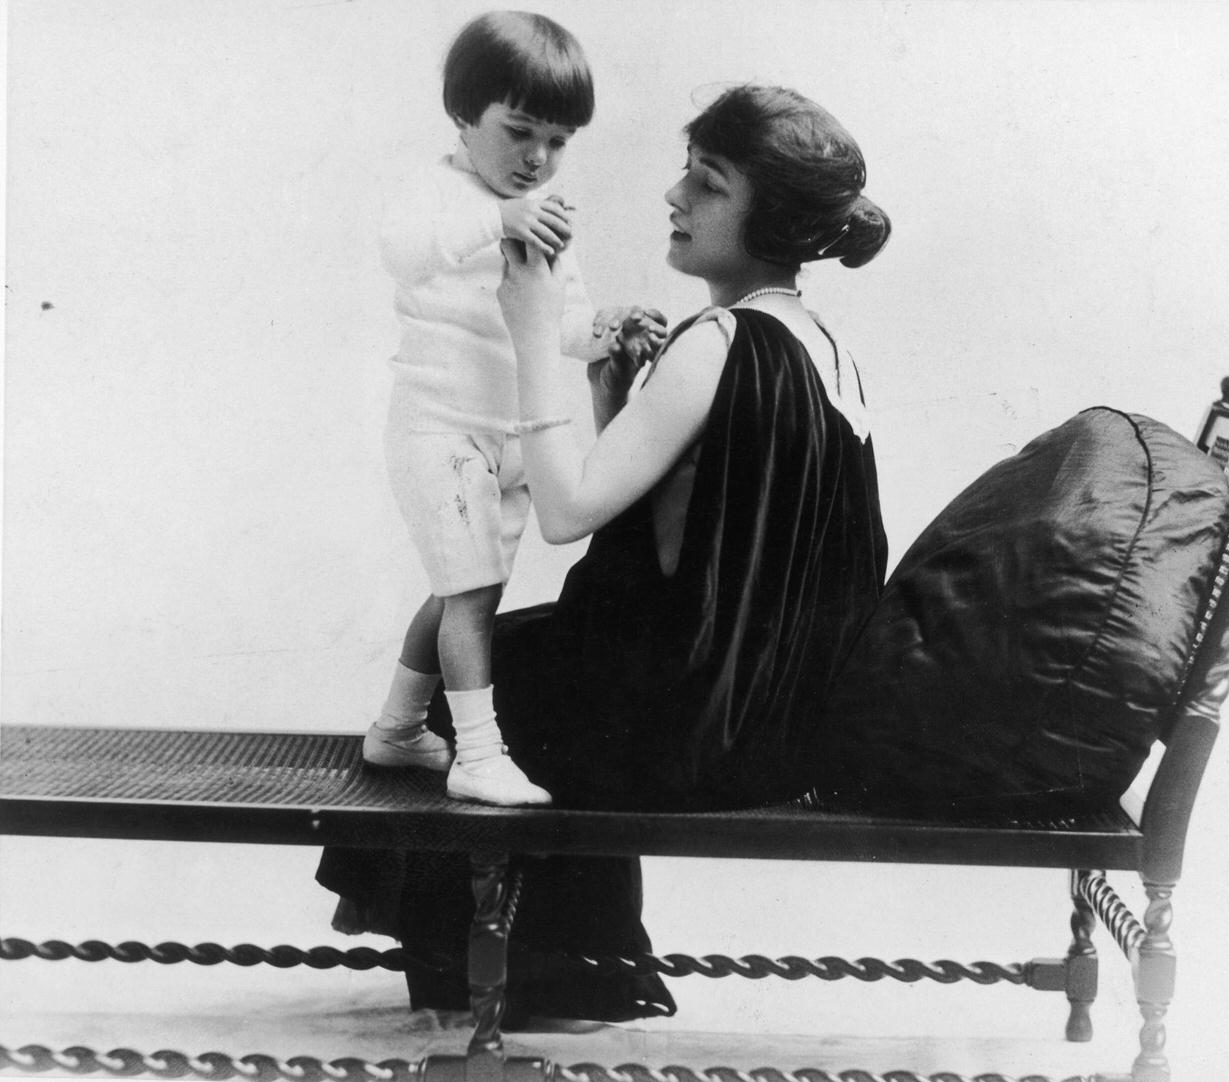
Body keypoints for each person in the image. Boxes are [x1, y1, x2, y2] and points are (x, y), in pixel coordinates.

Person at [319, 83, 891, 1024]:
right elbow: (680, 511)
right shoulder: (813, 340)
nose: (675, 197)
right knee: (527, 650)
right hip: (773, 715)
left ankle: (532, 972)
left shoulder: (717, 339)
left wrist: (532, 335)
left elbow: (567, 513)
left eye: (706, 184)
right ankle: (566, 959)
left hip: (697, 729)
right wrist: (611, 392)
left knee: (496, 682)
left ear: (773, 216)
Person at [362, 10, 666, 807]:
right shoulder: (440, 193)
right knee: (467, 594)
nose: (538, 159)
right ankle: (478, 753)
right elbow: (401, 251)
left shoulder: (543, 214)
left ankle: (396, 730)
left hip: (508, 438)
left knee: (471, 588)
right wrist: (498, 219)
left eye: (558, 141)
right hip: (442, 429)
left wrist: (604, 330)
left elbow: (558, 319)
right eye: (521, 130)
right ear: (464, 114)